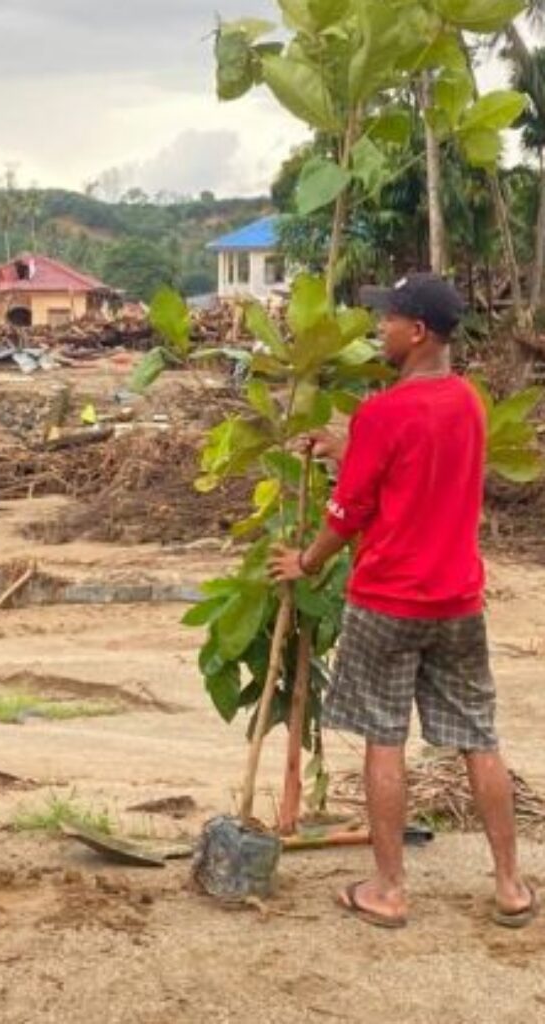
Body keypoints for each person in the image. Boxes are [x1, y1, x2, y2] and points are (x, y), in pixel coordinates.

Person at [270, 273, 534, 930]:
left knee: (384, 741)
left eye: (387, 320)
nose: (378, 330)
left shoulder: (383, 413)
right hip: (459, 601)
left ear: (417, 332)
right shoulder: (468, 401)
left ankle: (388, 890)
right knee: (480, 738)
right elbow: (414, 466)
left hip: (388, 601)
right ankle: (510, 886)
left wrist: (304, 561)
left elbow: (350, 510)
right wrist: (347, 449)